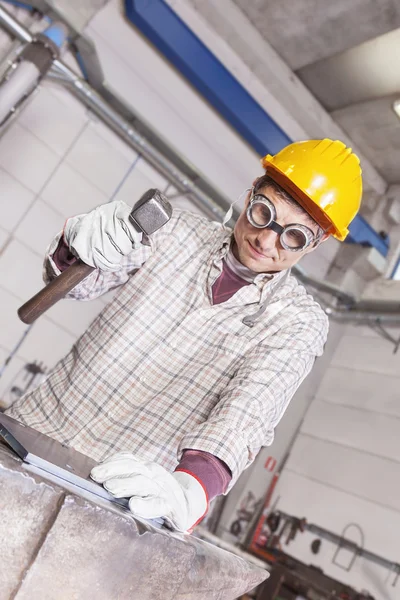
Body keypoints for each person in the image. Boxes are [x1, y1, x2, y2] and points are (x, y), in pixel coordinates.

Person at [7, 139, 362, 532]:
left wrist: (191, 489)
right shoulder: (172, 230)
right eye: (263, 213)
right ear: (251, 193)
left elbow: (246, 415)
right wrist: (80, 246)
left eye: (293, 236)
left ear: (319, 242)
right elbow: (77, 286)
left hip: (114, 496)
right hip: (27, 436)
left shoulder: (297, 323)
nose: (266, 240)